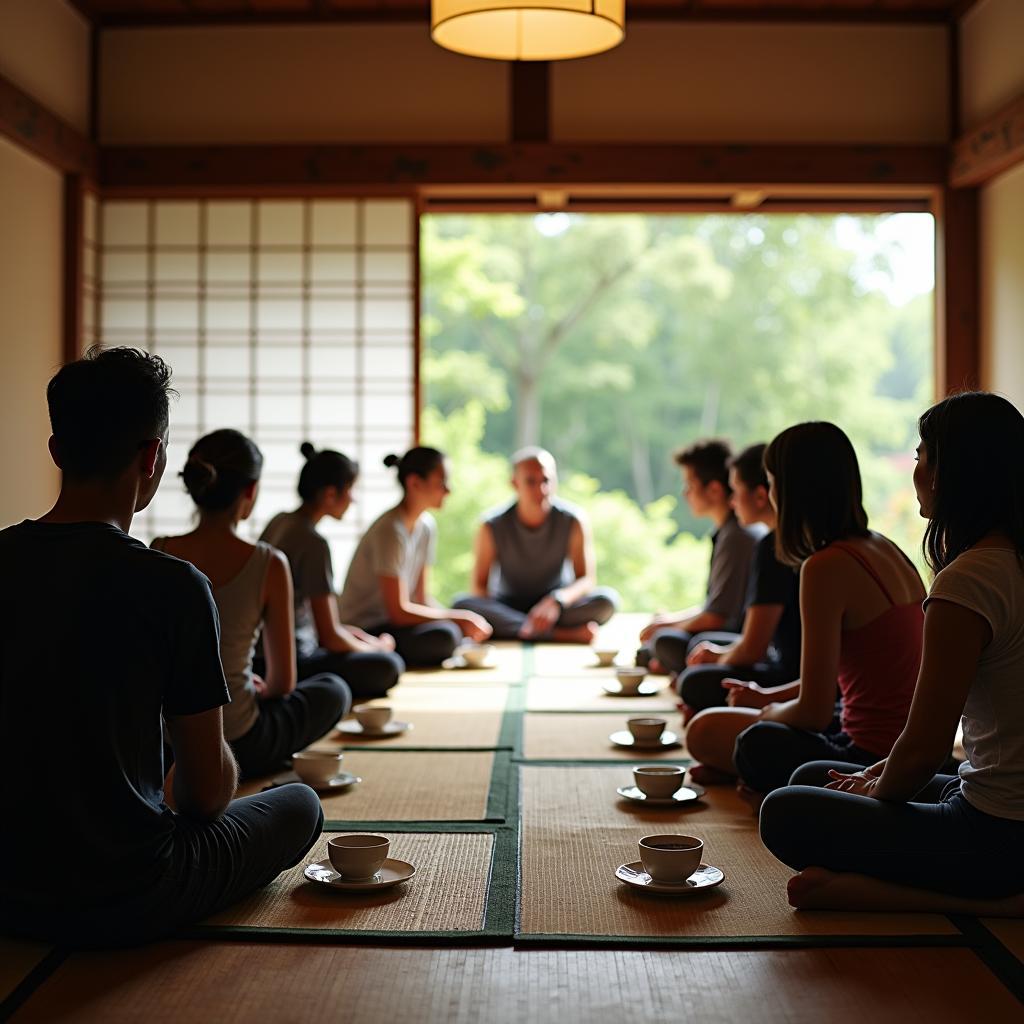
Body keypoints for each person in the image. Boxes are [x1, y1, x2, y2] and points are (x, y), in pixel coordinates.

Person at [0, 348, 322, 948]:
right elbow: (203, 795)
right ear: (152, 456)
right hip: (128, 891)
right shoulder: (170, 583)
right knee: (299, 804)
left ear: (56, 451)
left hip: (10, 893)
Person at [760, 393, 1024, 917]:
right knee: (815, 778)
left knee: (785, 812)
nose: (916, 470)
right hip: (992, 807)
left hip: (998, 838)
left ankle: (990, 903)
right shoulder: (1010, 562)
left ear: (958, 471)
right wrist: (876, 774)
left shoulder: (969, 580)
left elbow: (926, 748)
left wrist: (875, 791)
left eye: (923, 456)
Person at [684, 422, 926, 802]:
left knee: (714, 733)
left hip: (869, 757)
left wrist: (765, 713)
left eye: (772, 480)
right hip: (906, 749)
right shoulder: (887, 548)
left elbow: (813, 711)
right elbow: (834, 684)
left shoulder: (826, 566)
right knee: (734, 732)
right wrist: (765, 698)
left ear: (790, 488)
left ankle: (755, 770)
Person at [153, 430, 351, 780]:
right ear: (251, 491)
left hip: (173, 746)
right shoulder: (268, 564)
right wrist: (262, 688)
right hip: (241, 743)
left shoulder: (161, 550)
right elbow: (283, 683)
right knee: (335, 690)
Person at [260, 443, 404, 699]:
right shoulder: (313, 542)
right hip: (295, 658)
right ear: (329, 494)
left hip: (263, 652)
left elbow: (326, 626)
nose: (353, 498)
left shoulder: (280, 520)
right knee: (389, 665)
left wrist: (360, 639)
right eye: (350, 489)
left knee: (366, 644)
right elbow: (329, 637)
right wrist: (376, 650)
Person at [674, 443, 801, 713]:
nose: (732, 501)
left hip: (788, 675)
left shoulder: (773, 547)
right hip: (788, 667)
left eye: (737, 491)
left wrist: (716, 659)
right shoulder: (790, 542)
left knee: (694, 681)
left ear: (760, 495)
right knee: (698, 651)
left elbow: (753, 647)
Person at [337, 447, 492, 666]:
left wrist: (460, 622)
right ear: (414, 483)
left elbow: (421, 598)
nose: (448, 490)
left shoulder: (426, 526)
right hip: (367, 628)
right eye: (442, 482)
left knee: (452, 631)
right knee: (446, 635)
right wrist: (458, 618)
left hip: (394, 624)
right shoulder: (391, 530)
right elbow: (399, 612)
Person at [453, 446, 619, 643]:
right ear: (514, 483)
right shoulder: (491, 525)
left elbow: (586, 579)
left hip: (556, 608)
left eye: (546, 480)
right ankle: (558, 634)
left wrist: (556, 601)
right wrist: (498, 612)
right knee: (461, 605)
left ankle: (523, 629)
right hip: (508, 605)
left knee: (607, 601)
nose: (542, 489)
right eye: (531, 481)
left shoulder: (573, 520)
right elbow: (479, 587)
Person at [639, 439, 763, 664]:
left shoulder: (737, 535)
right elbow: (715, 605)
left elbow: (716, 617)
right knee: (660, 641)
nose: (685, 493)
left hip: (735, 637)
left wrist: (666, 625)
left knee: (664, 641)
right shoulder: (727, 531)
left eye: (690, 485)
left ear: (714, 489)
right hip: (726, 632)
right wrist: (669, 620)